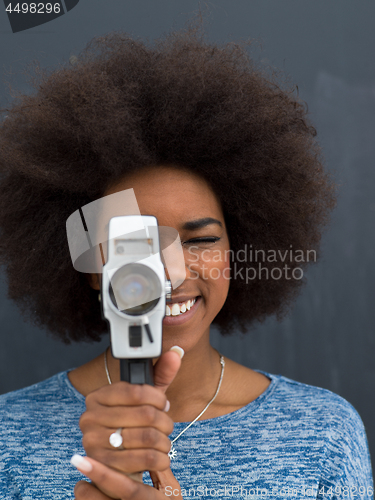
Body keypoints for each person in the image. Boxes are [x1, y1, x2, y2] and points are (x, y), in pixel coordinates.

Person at [0, 20, 373, 500]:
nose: (170, 273)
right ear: (92, 267)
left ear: (234, 253)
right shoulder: (8, 436)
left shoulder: (324, 434)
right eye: (136, 243)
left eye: (199, 241)